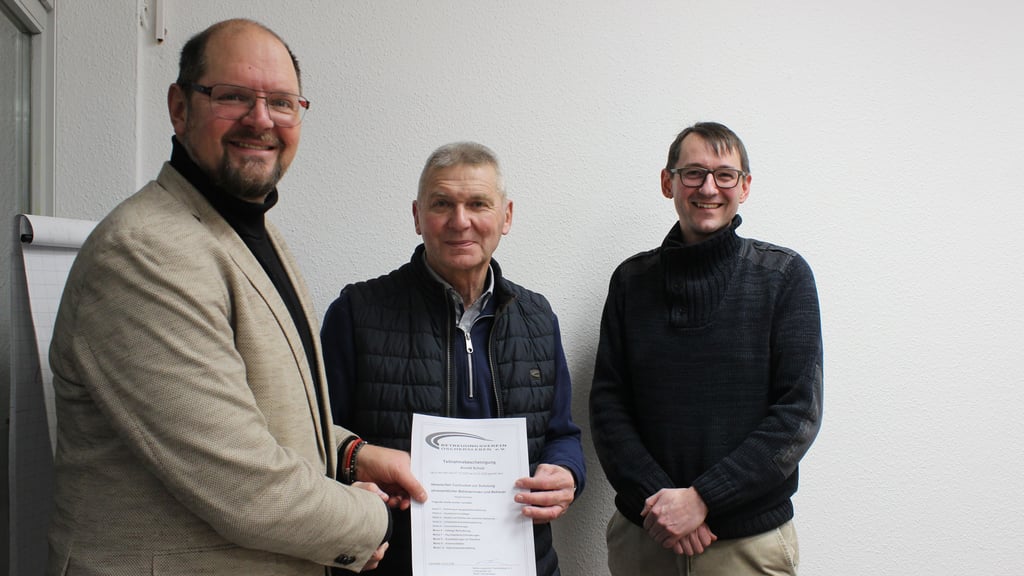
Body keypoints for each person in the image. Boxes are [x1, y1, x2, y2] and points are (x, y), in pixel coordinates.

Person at [46, 18, 426, 575]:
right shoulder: (145, 252)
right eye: (233, 97)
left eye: (282, 102)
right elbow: (243, 485)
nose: (261, 120)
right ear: (180, 108)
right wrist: (370, 519)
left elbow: (263, 409)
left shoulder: (249, 229)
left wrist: (352, 454)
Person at [321, 141, 586, 576]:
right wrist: (352, 486)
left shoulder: (537, 316)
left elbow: (562, 433)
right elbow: (315, 440)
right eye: (442, 204)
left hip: (523, 564)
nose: (460, 222)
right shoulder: (357, 312)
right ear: (417, 216)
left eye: (478, 204)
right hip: (395, 565)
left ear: (506, 216)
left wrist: (568, 473)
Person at [589, 121, 823, 575]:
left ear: (745, 186)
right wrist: (664, 506)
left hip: (747, 546)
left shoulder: (784, 277)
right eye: (693, 172)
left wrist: (703, 499)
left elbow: (797, 415)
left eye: (725, 174)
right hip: (645, 536)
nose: (709, 187)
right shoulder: (630, 282)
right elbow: (608, 405)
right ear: (667, 182)